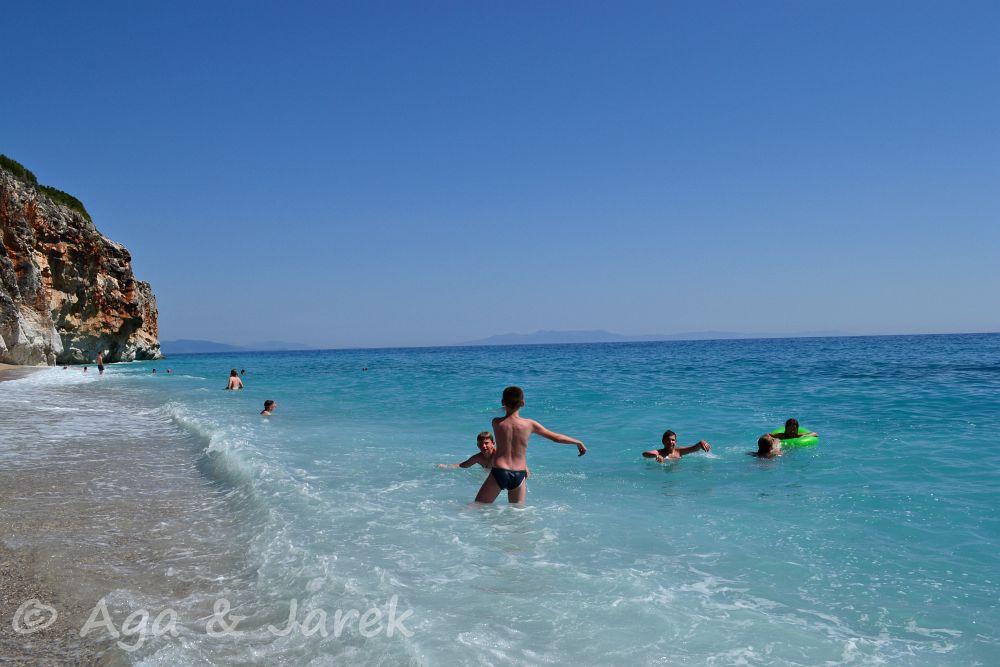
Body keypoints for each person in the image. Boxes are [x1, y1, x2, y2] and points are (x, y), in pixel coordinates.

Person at [474, 386, 585, 504]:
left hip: (499, 471)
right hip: (519, 473)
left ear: (503, 402)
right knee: (516, 513)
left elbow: (503, 414)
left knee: (477, 506)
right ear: (523, 403)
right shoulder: (529, 424)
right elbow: (556, 438)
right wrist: (578, 442)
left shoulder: (496, 422)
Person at [642, 430, 712, 462]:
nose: (670, 442)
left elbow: (694, 448)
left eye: (673, 440)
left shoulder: (679, 451)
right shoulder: (660, 453)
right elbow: (644, 454)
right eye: (667, 440)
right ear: (663, 442)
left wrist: (701, 442)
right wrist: (656, 456)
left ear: (676, 441)